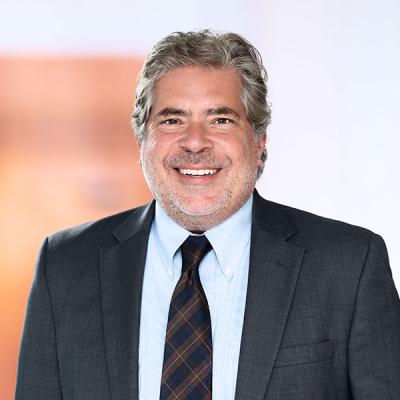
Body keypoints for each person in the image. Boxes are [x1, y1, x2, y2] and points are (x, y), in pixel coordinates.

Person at [16, 30, 400, 400]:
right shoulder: (65, 265)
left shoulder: (349, 265)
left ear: (260, 139)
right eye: (173, 120)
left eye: (221, 120)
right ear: (142, 140)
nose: (195, 142)